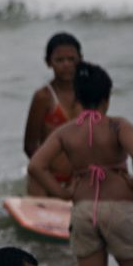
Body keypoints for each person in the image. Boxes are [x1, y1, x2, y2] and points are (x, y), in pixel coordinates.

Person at [27, 61, 133, 266]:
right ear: (107, 97)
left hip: (83, 212)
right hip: (120, 209)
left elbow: (36, 165)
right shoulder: (118, 125)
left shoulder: (66, 131)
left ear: (77, 97)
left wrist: (61, 192)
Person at [23, 32, 83, 196]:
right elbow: (30, 145)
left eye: (72, 59)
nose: (66, 65)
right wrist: (48, 179)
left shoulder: (88, 96)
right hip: (45, 178)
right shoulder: (44, 97)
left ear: (81, 60)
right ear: (48, 62)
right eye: (59, 60)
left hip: (78, 178)